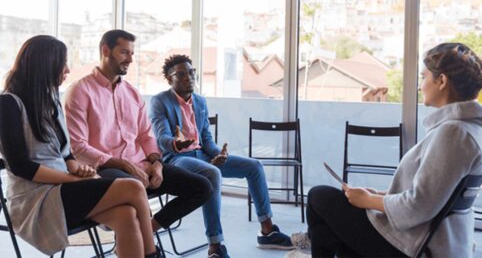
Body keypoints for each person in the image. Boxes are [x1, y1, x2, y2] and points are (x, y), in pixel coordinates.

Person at [301, 42, 482, 257]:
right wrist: (381, 195)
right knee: (325, 234)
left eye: (423, 77)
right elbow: (435, 195)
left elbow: (418, 207)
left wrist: (368, 201)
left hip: (416, 246)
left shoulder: (454, 133)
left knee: (318, 196)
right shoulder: (468, 129)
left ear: (441, 81)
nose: (420, 86)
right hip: (427, 238)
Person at [0, 35, 161, 257]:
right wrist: (72, 178)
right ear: (45, 65)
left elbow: (66, 153)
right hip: (35, 199)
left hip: (62, 188)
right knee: (133, 188)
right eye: (62, 63)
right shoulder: (8, 104)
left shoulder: (50, 100)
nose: (66, 70)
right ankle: (153, 254)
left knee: (126, 215)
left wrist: (76, 167)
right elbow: (21, 167)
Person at [64, 30, 212, 235]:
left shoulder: (132, 93)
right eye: (125, 52)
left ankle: (146, 234)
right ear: (105, 50)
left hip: (142, 165)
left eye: (132, 53)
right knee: (133, 187)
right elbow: (78, 147)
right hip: (104, 169)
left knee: (202, 187)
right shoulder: (80, 91)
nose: (131, 59)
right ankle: (143, 247)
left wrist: (157, 164)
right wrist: (125, 165)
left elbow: (146, 136)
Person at [149, 54, 294, 258]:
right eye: (181, 74)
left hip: (203, 155)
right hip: (178, 159)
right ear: (169, 78)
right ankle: (215, 246)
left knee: (254, 166)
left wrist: (220, 154)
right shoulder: (160, 101)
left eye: (191, 72)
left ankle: (268, 231)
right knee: (212, 173)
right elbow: (161, 136)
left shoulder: (200, 101)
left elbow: (206, 139)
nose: (188, 77)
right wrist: (176, 142)